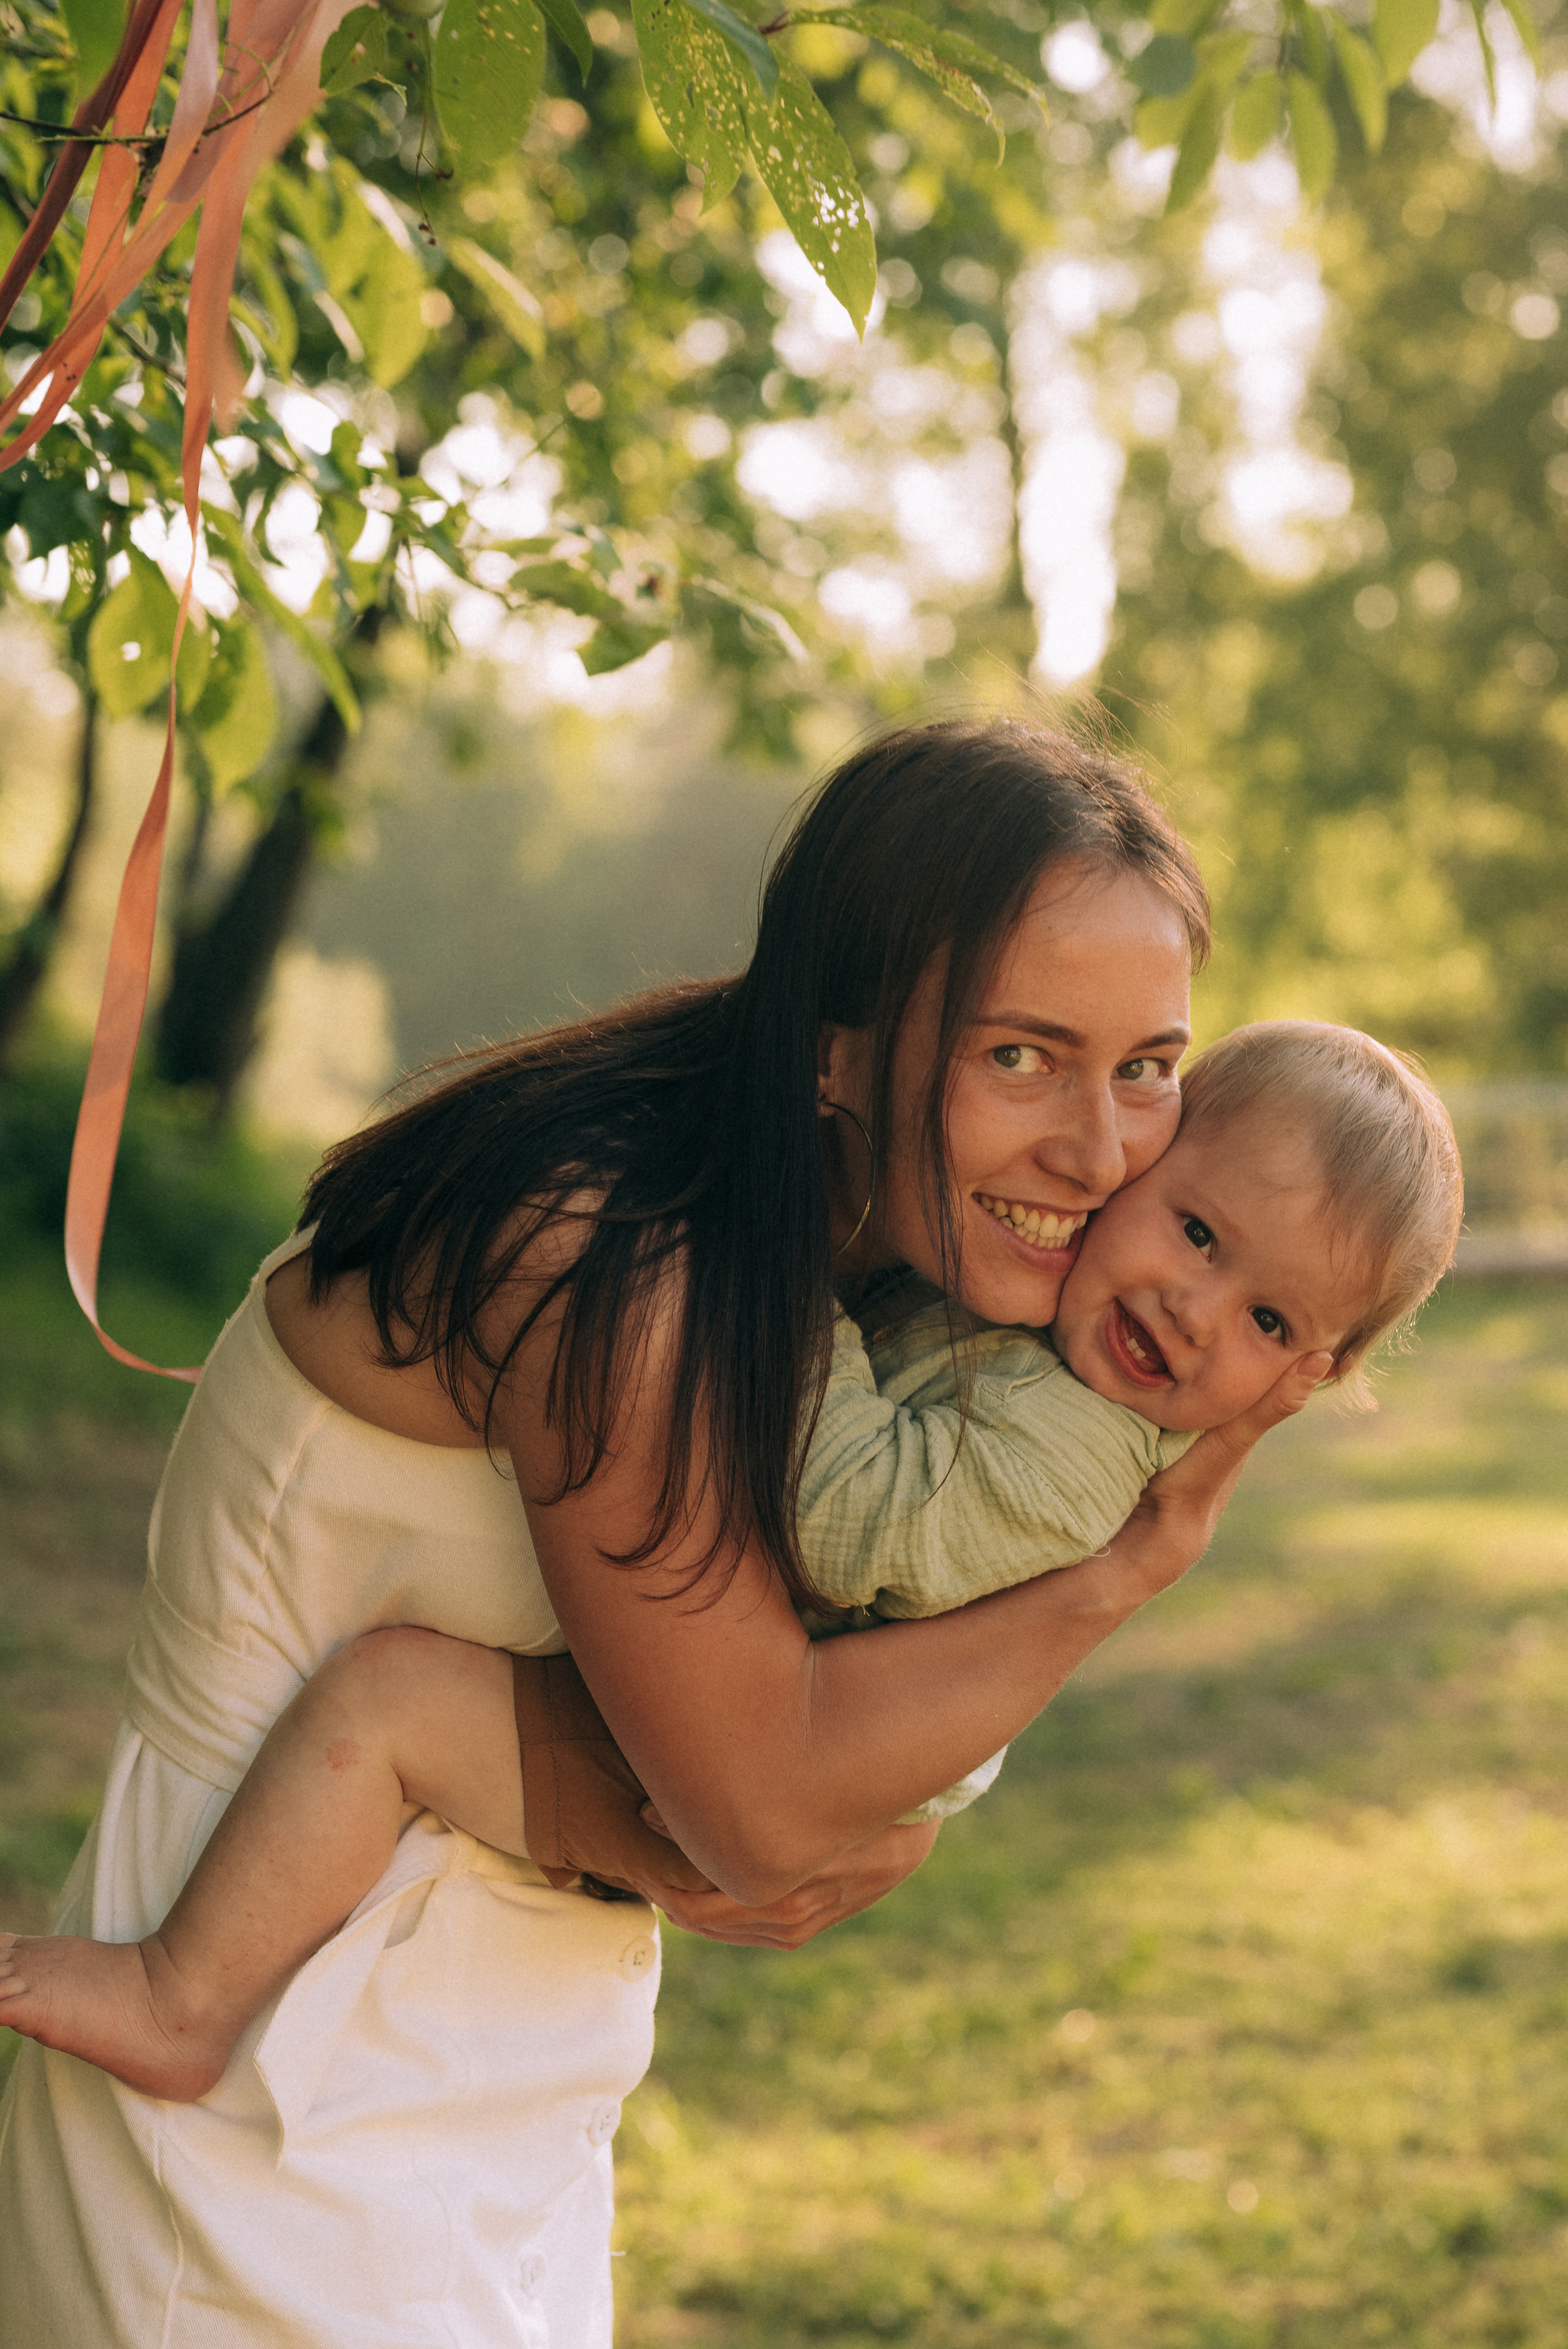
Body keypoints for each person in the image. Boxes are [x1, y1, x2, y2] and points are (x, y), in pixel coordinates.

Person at [0, 719, 1322, 2349]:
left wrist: (788, 1792)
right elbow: (768, 1812)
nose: (1100, 1148)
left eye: (1145, 1066)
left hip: (514, 2064)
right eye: (1019, 1057)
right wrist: (1124, 1573)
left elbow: (858, 1786)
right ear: (836, 1047)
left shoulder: (887, 1258)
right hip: (252, 2084)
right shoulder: (609, 1251)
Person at [0, 1018, 1463, 2102]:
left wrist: (763, 1271)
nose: (1198, 1313)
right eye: (1197, 1233)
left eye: (1269, 1324)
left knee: (385, 1708)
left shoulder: (1082, 1446)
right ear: (1145, 1162)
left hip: (777, 1772)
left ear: (1308, 1379)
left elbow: (854, 1519)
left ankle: (181, 2002)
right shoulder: (1036, 1335)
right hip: (765, 1714)